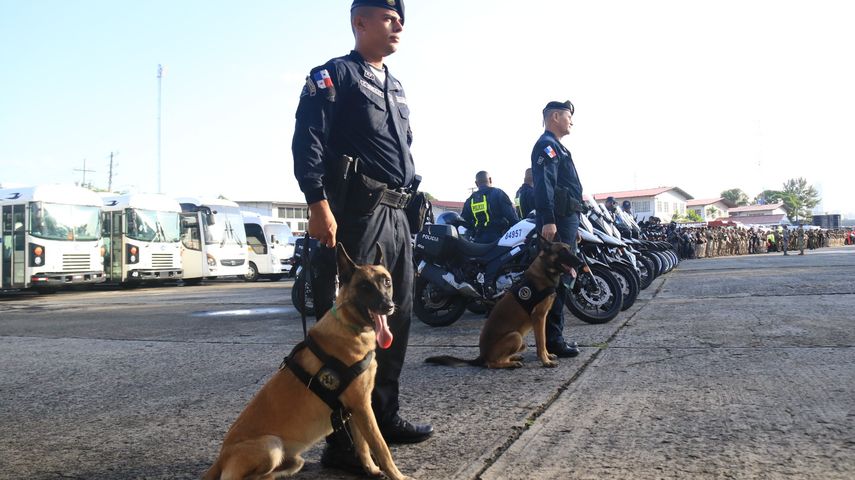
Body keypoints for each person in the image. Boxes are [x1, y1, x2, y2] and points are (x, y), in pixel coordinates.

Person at [291, 0, 433, 473]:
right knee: (352, 327)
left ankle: (383, 418)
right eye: (389, 18)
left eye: (401, 21)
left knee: (398, 317)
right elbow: (307, 138)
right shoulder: (337, 75)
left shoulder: (394, 85)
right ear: (360, 22)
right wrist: (317, 201)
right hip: (358, 213)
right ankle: (345, 445)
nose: (398, 26)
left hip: (396, 214)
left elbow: (400, 150)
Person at [531, 100, 585, 358]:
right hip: (559, 218)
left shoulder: (557, 147)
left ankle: (554, 337)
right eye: (568, 116)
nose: (572, 121)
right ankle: (554, 340)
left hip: (567, 218)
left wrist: (574, 225)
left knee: (564, 278)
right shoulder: (547, 146)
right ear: (555, 116)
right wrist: (549, 219)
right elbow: (545, 185)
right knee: (558, 279)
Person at [460, 171, 519, 243]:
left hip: (478, 241)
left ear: (476, 183)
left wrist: (474, 231)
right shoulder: (498, 193)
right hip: (499, 239)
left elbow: (464, 221)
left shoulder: (470, 200)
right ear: (490, 179)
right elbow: (512, 217)